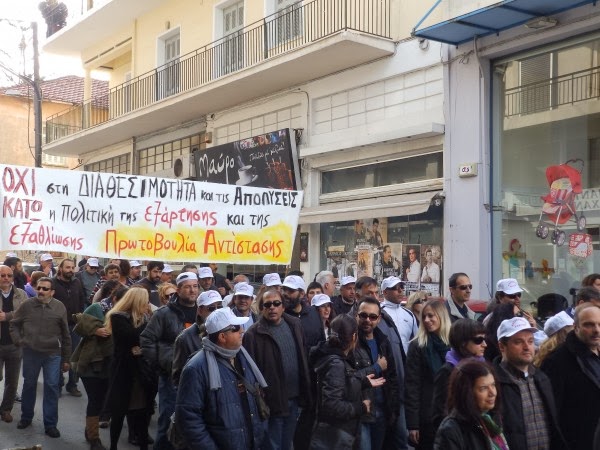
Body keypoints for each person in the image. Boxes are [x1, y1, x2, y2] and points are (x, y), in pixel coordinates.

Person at [174, 307, 268, 449]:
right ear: (222, 337)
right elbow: (188, 419)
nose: (242, 331)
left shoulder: (243, 356)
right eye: (236, 328)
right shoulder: (195, 368)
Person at [243, 288, 313, 450]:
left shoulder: (295, 324)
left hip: (294, 399)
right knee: (272, 445)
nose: (272, 308)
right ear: (261, 308)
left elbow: (303, 356)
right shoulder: (253, 334)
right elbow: (249, 373)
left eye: (276, 303)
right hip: (271, 403)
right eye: (267, 305)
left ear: (283, 307)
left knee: (288, 443)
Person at [140, 271, 199, 450]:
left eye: (195, 286)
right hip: (172, 377)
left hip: (198, 376)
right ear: (178, 290)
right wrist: (161, 364)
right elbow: (147, 339)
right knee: (168, 420)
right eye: (187, 287)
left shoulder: (203, 311)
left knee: (194, 421)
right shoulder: (164, 314)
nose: (192, 290)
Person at [309, 314, 386, 449]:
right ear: (354, 337)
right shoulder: (336, 364)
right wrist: (361, 407)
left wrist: (362, 382)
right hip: (335, 436)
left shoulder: (331, 357)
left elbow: (340, 383)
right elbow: (331, 405)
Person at [10, 276, 71, 438]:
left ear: (52, 292)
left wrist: (66, 359)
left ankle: (50, 424)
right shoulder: (27, 305)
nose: (41, 291)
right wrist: (19, 341)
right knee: (29, 385)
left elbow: (66, 334)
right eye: (39, 288)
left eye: (45, 289)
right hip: (31, 352)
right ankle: (26, 417)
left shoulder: (59, 307)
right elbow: (14, 324)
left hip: (52, 354)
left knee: (51, 386)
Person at [494, 317, 567, 450]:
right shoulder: (493, 383)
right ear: (502, 346)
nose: (527, 347)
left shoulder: (541, 378)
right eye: (518, 342)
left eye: (530, 341)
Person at [72, 285, 128, 450]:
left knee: (103, 400)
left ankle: (90, 429)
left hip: (110, 363)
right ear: (114, 298)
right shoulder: (97, 308)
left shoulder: (124, 313)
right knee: (95, 399)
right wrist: (95, 330)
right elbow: (79, 326)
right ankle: (94, 439)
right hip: (92, 362)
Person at [540, 303, 600, 450]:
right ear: (576, 327)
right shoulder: (557, 361)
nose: (596, 330)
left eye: (599, 324)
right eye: (589, 325)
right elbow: (551, 413)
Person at [104, 287, 155, 450]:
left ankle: (142, 444)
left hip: (140, 371)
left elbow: (148, 340)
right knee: (119, 413)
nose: (148, 305)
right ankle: (113, 446)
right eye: (145, 301)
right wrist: (144, 330)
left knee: (141, 412)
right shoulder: (117, 317)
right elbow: (131, 336)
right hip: (123, 371)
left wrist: (140, 348)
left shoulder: (145, 318)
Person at [353, 297, 400, 450]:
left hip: (382, 411)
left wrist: (393, 409)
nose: (367, 320)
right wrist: (377, 367)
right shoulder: (351, 342)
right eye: (363, 315)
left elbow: (392, 377)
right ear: (356, 315)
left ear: (379, 319)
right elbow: (349, 377)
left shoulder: (383, 341)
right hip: (362, 411)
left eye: (372, 317)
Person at [405, 299, 451, 450]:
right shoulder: (417, 345)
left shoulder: (453, 344)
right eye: (424, 316)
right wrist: (413, 424)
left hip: (451, 413)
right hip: (427, 416)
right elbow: (412, 386)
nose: (426, 320)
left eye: (431, 316)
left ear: (441, 316)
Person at [434, 360, 508, 450]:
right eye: (483, 388)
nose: (492, 393)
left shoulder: (491, 418)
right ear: (467, 393)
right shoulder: (451, 429)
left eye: (493, 385)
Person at [432, 319, 487, 430]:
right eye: (478, 340)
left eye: (484, 339)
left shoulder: (484, 368)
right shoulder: (447, 371)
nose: (484, 344)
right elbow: (439, 413)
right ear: (463, 343)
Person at [171, 290, 222, 386]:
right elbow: (179, 377)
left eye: (219, 307)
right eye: (211, 308)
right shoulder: (185, 338)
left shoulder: (227, 331)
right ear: (200, 311)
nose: (216, 311)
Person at [52, 258, 87, 397]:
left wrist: (79, 317)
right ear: (60, 268)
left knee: (74, 356)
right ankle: (58, 384)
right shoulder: (53, 283)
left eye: (72, 267)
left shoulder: (77, 282)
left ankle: (72, 385)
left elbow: (82, 299)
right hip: (57, 327)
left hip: (74, 326)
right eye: (67, 267)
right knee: (58, 356)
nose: (70, 270)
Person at [0, 265, 27, 424]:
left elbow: (26, 313)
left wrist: (8, 316)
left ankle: (6, 410)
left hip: (15, 344)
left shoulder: (21, 294)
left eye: (9, 275)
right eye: (2, 275)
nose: (6, 278)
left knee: (12, 381)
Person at [381, 276, 418, 355]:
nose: (400, 290)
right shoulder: (377, 312)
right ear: (385, 292)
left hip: (407, 360)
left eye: (401, 287)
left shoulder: (409, 314)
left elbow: (416, 341)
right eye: (395, 288)